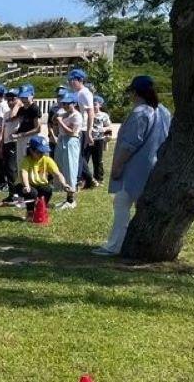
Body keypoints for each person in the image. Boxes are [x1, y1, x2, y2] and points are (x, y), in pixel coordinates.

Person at [94, 75, 172, 257]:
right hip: (155, 165)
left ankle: (115, 245)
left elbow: (129, 144)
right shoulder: (164, 111)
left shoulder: (140, 113)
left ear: (135, 93)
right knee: (143, 206)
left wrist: (117, 166)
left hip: (135, 168)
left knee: (122, 203)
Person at [18, 136, 73, 219]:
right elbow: (24, 173)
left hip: (40, 185)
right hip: (26, 186)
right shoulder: (26, 160)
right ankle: (30, 212)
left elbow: (57, 174)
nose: (41, 154)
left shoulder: (47, 160)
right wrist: (26, 186)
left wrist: (64, 184)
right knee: (32, 193)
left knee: (48, 190)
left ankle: (41, 207)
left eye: (43, 152)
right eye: (39, 152)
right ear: (31, 150)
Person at [53, 93, 84, 210]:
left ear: (74, 104)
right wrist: (58, 116)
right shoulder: (64, 113)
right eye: (63, 103)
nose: (65, 105)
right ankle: (65, 198)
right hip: (61, 141)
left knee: (70, 169)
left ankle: (71, 200)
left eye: (67, 103)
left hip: (71, 141)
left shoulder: (77, 116)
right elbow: (53, 121)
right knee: (61, 168)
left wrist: (60, 121)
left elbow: (72, 132)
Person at [86, 96, 111, 187]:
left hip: (99, 140)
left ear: (100, 105)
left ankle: (99, 178)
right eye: (92, 104)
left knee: (98, 160)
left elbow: (108, 126)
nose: (93, 106)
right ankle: (86, 178)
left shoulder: (104, 115)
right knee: (85, 159)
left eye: (95, 104)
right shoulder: (88, 114)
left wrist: (105, 131)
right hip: (88, 139)